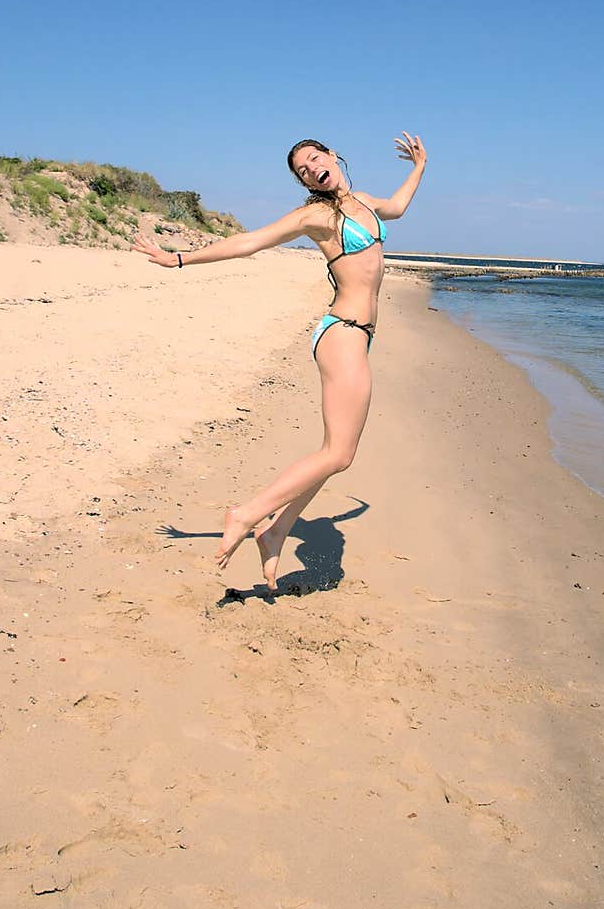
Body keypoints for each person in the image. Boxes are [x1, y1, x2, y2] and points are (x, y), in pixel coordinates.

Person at [132, 132, 427, 590]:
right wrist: (179, 259)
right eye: (302, 170)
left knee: (334, 455)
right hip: (341, 333)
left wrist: (418, 167)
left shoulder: (365, 203)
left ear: (333, 155)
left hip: (359, 336)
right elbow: (251, 242)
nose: (311, 169)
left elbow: (398, 206)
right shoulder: (315, 215)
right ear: (304, 182)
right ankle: (247, 514)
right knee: (338, 453)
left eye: (314, 159)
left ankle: (276, 531)